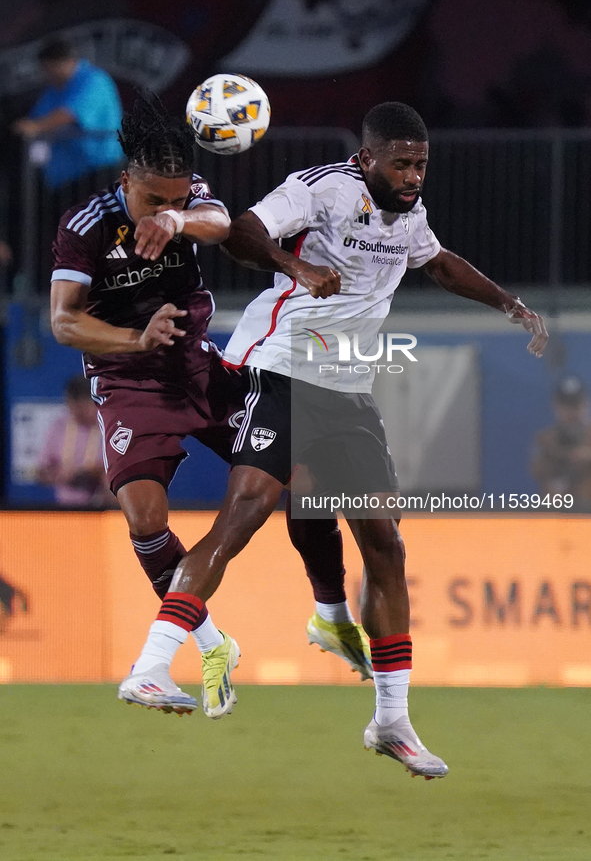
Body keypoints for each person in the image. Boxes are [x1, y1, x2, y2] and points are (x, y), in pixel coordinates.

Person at [122, 101, 549, 779]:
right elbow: (240, 230)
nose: (414, 176)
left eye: (421, 164)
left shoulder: (408, 217)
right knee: (243, 514)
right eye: (402, 164)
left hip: (348, 393)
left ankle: (391, 720)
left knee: (385, 542)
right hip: (283, 370)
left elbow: (439, 264)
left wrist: (511, 306)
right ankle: (150, 665)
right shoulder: (321, 187)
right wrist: (296, 270)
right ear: (368, 158)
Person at [50, 92, 368, 718]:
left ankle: (330, 611)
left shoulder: (187, 197)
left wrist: (176, 219)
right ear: (125, 183)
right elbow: (63, 322)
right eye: (152, 201)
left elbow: (222, 224)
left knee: (307, 477)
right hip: (128, 382)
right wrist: (136, 339)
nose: (165, 209)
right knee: (145, 519)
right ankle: (210, 642)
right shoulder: (84, 227)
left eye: (175, 198)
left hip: (199, 368)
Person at [13, 38, 123, 189]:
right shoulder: (54, 89)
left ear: (66, 62)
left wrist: (36, 127)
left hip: (100, 169)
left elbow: (69, 114)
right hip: (66, 177)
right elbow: (35, 118)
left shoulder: (94, 80)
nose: (47, 74)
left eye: (50, 68)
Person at [36, 375, 113, 507]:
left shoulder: (110, 427)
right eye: (73, 407)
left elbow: (115, 469)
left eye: (84, 408)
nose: (78, 413)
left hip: (102, 508)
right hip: (65, 508)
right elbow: (41, 471)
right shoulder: (59, 426)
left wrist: (87, 472)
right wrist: (58, 475)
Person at [531, 376, 591, 510]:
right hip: (556, 514)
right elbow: (536, 471)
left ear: (586, 404)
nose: (571, 412)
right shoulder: (546, 439)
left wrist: (586, 457)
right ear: (556, 406)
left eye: (576, 405)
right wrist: (560, 456)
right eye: (566, 406)